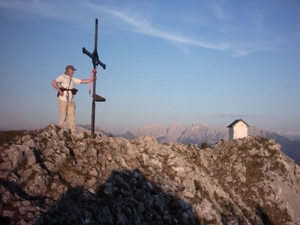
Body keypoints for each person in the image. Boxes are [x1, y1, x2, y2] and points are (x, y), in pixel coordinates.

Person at [52, 65, 96, 134]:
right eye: (72, 70)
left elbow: (81, 81)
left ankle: (72, 131)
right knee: (63, 116)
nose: (73, 71)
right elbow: (54, 82)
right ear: (69, 70)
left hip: (71, 100)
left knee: (71, 116)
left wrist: (91, 80)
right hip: (63, 99)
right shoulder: (62, 77)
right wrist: (59, 91)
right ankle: (61, 130)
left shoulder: (72, 78)